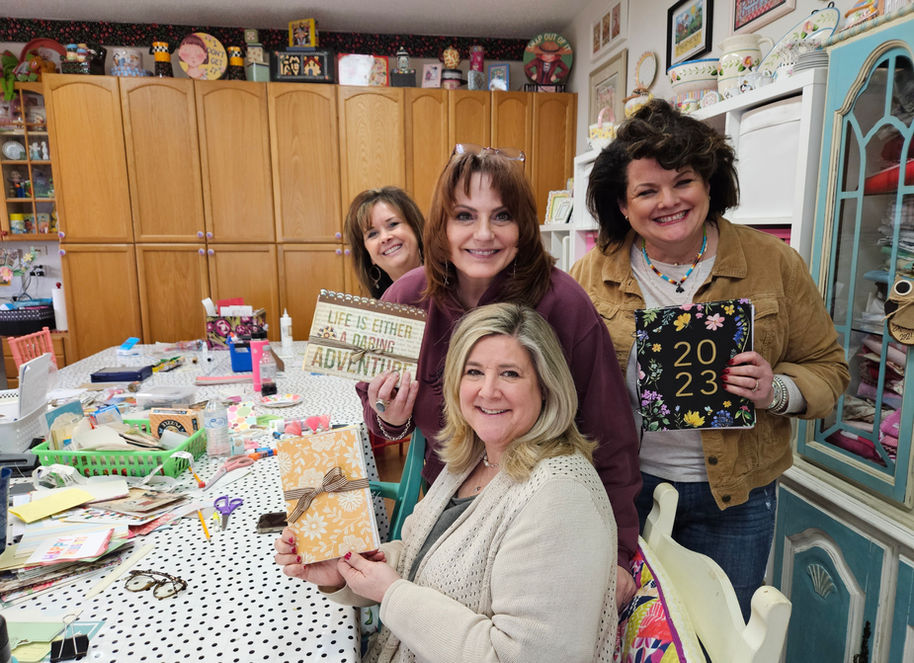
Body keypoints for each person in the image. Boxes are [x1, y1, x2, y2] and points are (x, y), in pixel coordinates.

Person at [570, 99, 849, 619]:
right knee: (622, 629)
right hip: (623, 492)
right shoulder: (591, 274)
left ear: (710, 183)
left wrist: (776, 390)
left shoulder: (774, 264)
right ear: (623, 206)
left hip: (736, 500)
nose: (669, 201)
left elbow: (829, 368)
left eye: (683, 182)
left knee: (721, 633)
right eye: (647, 191)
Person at [355, 145, 641, 604]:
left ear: (523, 226)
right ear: (441, 226)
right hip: (449, 501)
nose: (483, 234)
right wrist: (390, 416)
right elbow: (378, 412)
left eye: (502, 216)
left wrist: (621, 550)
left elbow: (610, 433)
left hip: (544, 520)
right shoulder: (405, 301)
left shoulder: (563, 304)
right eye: (464, 216)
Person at [275, 303, 618, 662]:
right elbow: (417, 557)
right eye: (474, 372)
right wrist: (342, 570)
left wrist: (392, 593)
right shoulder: (472, 459)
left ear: (546, 387)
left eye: (510, 374)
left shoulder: (560, 498)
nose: (488, 390)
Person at [343, 187, 425, 298]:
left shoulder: (453, 282)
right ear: (367, 254)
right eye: (372, 234)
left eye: (393, 224)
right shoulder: (380, 307)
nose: (385, 238)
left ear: (415, 229)